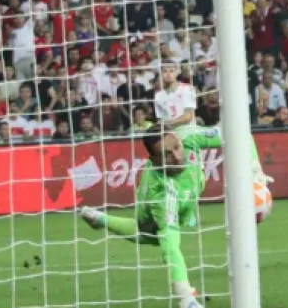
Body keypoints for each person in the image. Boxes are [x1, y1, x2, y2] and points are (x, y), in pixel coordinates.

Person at [80, 126, 272, 308]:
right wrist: (184, 296)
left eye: (177, 148)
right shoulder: (161, 193)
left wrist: (255, 172)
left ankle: (99, 219)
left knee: (152, 236)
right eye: (167, 155)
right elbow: (170, 247)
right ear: (154, 160)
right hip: (156, 203)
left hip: (191, 185)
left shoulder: (189, 137)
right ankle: (186, 297)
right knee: (153, 236)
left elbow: (239, 133)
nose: (177, 156)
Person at [154, 60, 197, 128]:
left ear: (177, 73)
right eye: (165, 71)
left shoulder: (187, 89)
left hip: (188, 133)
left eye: (171, 71)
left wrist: (166, 124)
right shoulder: (158, 96)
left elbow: (188, 117)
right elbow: (160, 119)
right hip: (170, 135)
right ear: (161, 74)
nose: (168, 74)